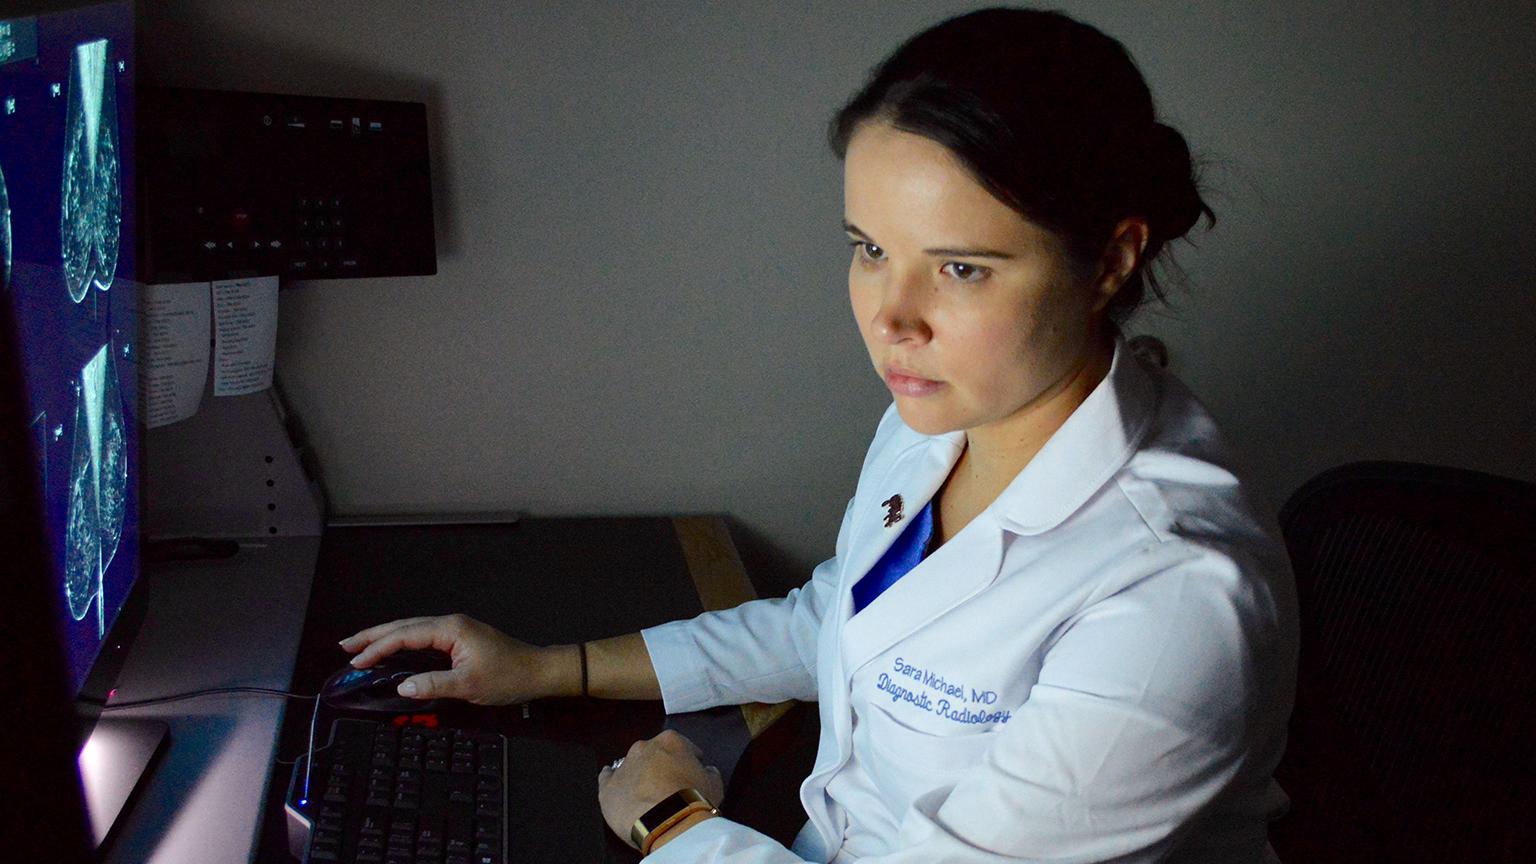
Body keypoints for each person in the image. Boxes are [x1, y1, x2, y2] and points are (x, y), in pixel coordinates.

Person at [341, 6, 1298, 861]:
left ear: (1109, 261)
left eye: (961, 269)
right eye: (871, 249)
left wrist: (671, 825)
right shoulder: (947, 411)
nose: (892, 318)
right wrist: (552, 668)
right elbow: (838, 619)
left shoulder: (1172, 599)